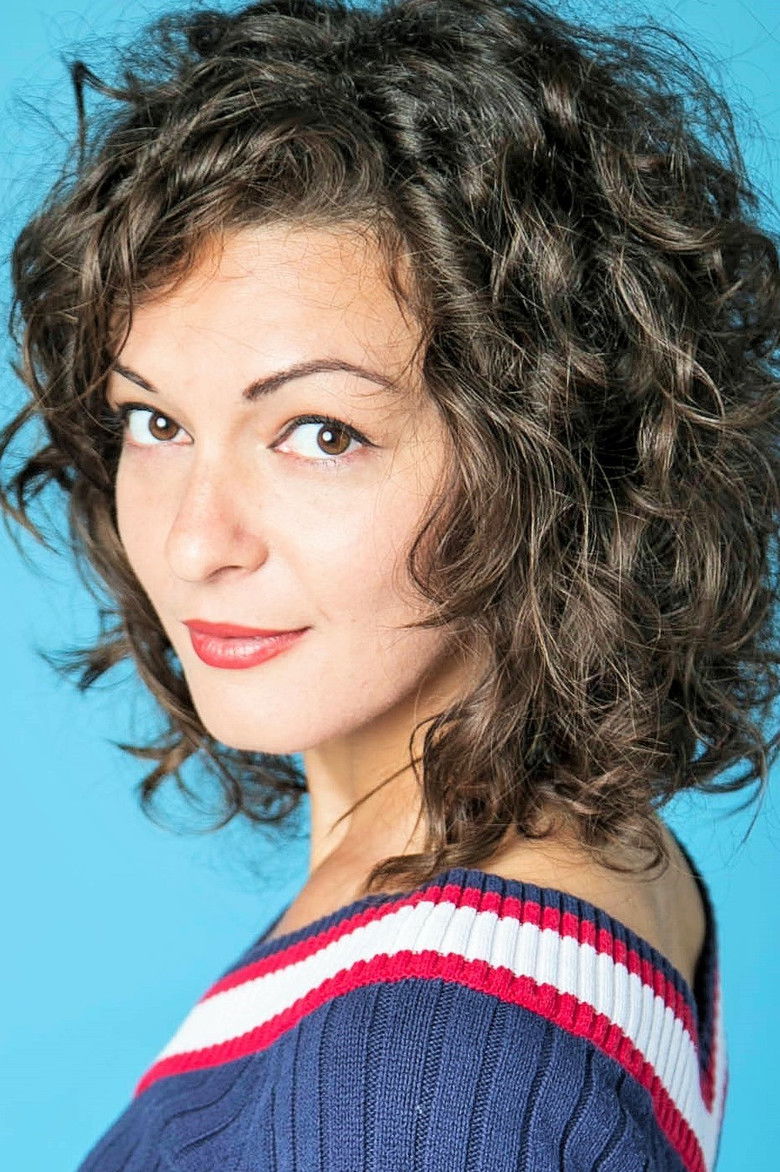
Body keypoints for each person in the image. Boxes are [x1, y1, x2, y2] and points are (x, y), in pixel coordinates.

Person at [1, 0, 777, 1167]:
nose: (197, 541)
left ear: (545, 455)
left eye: (320, 432)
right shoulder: (587, 861)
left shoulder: (415, 1080)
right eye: (156, 421)